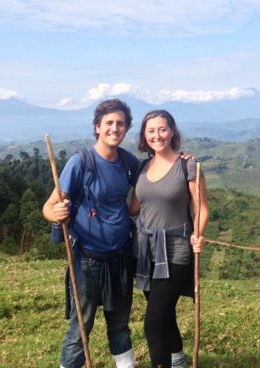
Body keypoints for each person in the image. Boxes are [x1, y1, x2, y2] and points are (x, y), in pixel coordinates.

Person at [42, 99, 141, 368]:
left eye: (121, 123)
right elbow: (49, 206)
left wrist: (180, 160)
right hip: (87, 260)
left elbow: (153, 176)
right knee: (81, 328)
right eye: (109, 123)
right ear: (97, 127)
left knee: (120, 325)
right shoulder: (81, 162)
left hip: (121, 259)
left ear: (126, 128)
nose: (115, 128)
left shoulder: (127, 162)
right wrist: (57, 214)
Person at [129, 110, 209, 368]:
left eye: (162, 129)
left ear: (172, 131)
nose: (157, 135)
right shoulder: (142, 167)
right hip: (145, 252)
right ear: (144, 136)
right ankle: (178, 361)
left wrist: (199, 235)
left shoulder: (188, 165)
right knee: (165, 316)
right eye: (150, 131)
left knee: (152, 326)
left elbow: (202, 208)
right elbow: (134, 207)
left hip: (175, 251)